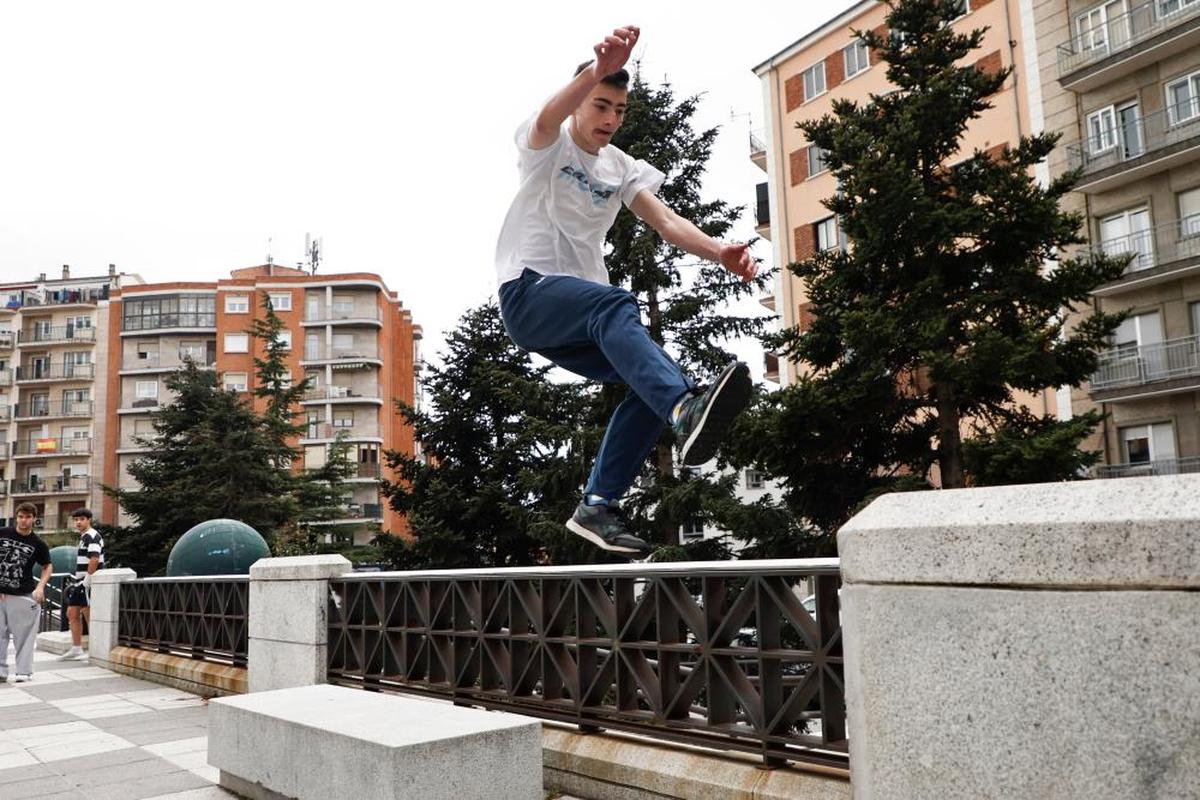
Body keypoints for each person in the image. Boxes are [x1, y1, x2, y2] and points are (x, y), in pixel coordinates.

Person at [495, 25, 756, 556]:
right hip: (530, 292)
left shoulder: (622, 168)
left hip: (578, 315)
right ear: (579, 104)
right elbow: (549, 115)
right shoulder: (547, 146)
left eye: (619, 110)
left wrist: (718, 251)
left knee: (647, 380)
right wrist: (594, 68)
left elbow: (665, 221)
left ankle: (597, 504)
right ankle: (684, 412)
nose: (610, 120)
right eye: (600, 106)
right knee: (618, 309)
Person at [0, 503, 53, 683]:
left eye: (28, 517)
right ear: (16, 517)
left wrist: (41, 587)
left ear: (34, 519)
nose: (24, 520)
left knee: (25, 636)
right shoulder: (3, 533)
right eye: (21, 516)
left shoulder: (38, 544)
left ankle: (23, 671)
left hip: (22, 594)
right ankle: (1, 671)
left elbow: (47, 566)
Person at [58, 508, 104, 662]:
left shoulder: (93, 536)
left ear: (89, 520)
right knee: (72, 614)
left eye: (81, 519)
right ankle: (76, 649)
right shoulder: (84, 537)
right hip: (80, 583)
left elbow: (95, 559)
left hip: (87, 582)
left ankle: (95, 650)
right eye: (76, 519)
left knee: (88, 614)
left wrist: (88, 580)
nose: (78, 522)